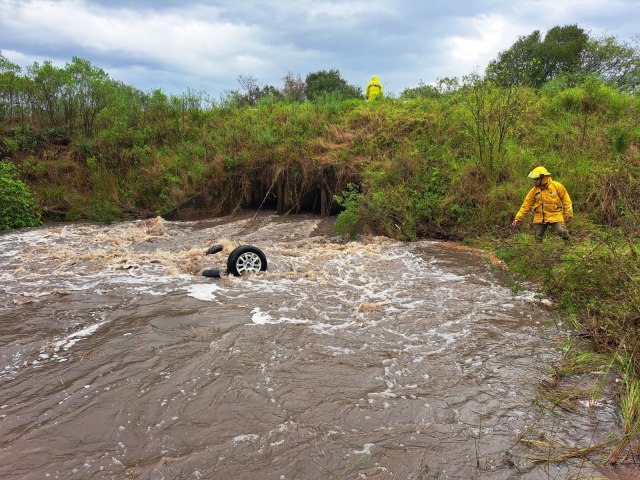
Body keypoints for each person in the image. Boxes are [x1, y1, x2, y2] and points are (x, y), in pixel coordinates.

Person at [511, 166, 573, 242]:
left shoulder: (557, 186)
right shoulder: (534, 190)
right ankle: (538, 250)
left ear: (543, 178)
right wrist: (518, 218)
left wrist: (568, 213)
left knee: (561, 231)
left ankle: (567, 242)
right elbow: (526, 204)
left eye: (536, 179)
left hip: (555, 214)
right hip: (539, 217)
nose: (534, 181)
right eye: (534, 180)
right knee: (538, 236)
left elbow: (566, 200)